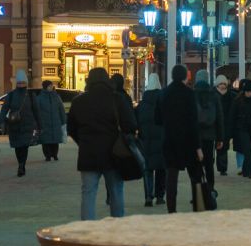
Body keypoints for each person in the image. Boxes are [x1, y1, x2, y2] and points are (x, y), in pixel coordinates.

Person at [67, 67, 137, 220]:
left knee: (88, 192)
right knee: (116, 191)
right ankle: (116, 225)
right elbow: (130, 125)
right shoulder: (116, 99)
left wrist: (83, 141)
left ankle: (87, 227)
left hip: (88, 153)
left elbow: (71, 128)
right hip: (114, 154)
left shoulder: (79, 101)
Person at [157, 64, 206, 212]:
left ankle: (171, 209)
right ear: (185, 76)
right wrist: (198, 147)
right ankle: (198, 205)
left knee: (171, 177)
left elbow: (157, 118)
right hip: (188, 142)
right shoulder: (189, 94)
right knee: (195, 176)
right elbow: (193, 121)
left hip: (170, 140)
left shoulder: (164, 93)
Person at [135, 73, 166, 206]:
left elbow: (136, 123)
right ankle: (160, 196)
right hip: (161, 141)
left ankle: (148, 196)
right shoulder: (164, 102)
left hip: (146, 141)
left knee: (147, 169)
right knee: (161, 169)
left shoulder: (142, 105)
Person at [0, 75, 39, 177]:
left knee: (24, 146)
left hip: (27, 125)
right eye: (19, 83)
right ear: (16, 83)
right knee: (18, 147)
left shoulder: (31, 95)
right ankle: (20, 163)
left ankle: (22, 165)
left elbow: (36, 111)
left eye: (23, 82)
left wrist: (40, 124)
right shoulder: (11, 95)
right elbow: (4, 109)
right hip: (14, 125)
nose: (21, 84)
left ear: (26, 83)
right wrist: (1, 121)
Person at [194, 72, 225, 196]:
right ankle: (210, 188)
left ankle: (197, 194)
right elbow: (219, 118)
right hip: (209, 136)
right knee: (208, 164)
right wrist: (220, 138)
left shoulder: (192, 95)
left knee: (196, 165)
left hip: (195, 137)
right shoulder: (214, 95)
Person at [34, 79, 66, 162]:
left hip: (56, 122)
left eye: (51, 85)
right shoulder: (40, 98)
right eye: (49, 86)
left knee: (55, 140)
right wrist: (37, 122)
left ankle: (55, 155)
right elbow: (37, 111)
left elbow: (61, 109)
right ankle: (47, 156)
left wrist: (63, 121)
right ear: (45, 87)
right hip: (45, 122)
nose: (51, 87)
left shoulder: (56, 97)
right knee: (46, 141)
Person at [215, 76, 236, 176]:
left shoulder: (231, 95)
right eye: (221, 84)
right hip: (214, 125)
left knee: (223, 147)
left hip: (226, 125)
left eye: (224, 84)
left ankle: (222, 168)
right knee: (214, 147)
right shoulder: (213, 94)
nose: (223, 85)